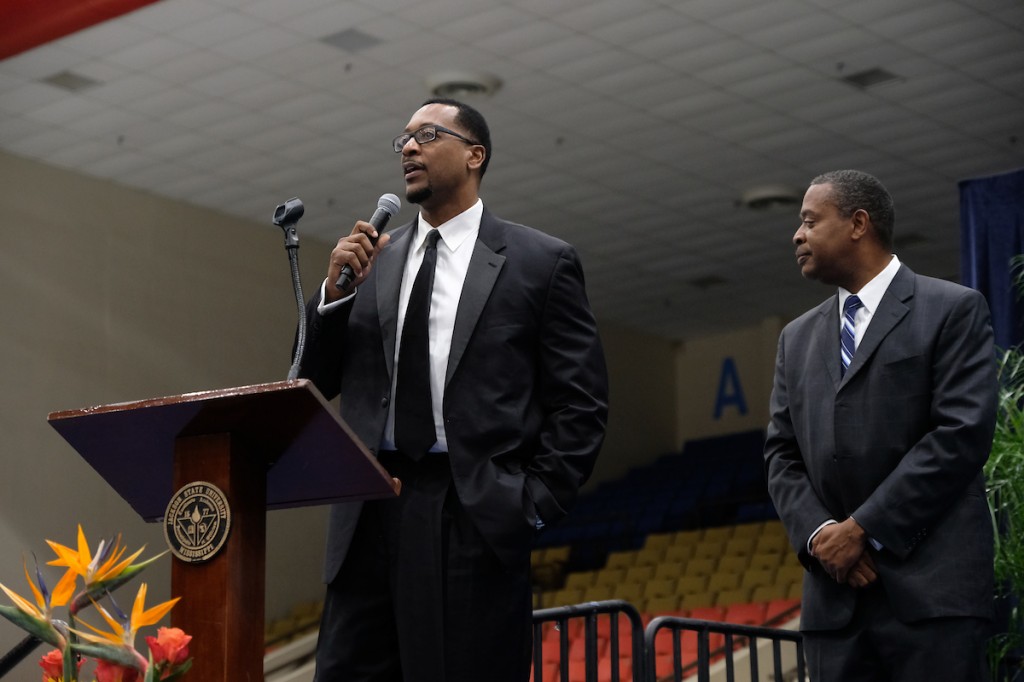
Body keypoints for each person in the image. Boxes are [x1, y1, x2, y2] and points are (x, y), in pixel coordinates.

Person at [298, 98, 608, 682]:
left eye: (427, 135)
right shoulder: (373, 265)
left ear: (474, 155)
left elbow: (581, 402)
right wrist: (333, 296)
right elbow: (310, 382)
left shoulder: (539, 262)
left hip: (473, 509)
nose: (409, 148)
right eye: (403, 141)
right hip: (369, 505)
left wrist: (531, 505)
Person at [764, 169, 998, 681]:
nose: (797, 235)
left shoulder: (952, 310)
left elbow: (960, 434)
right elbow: (781, 455)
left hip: (933, 600)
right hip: (835, 608)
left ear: (858, 223)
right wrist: (824, 535)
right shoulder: (795, 340)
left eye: (809, 220)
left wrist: (864, 530)